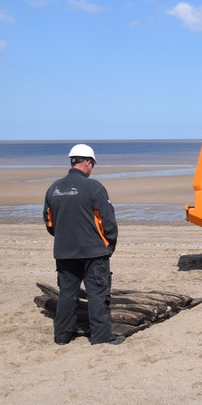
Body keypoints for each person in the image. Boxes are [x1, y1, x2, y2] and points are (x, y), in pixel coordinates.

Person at [44, 144, 124, 345]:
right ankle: (102, 338)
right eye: (93, 164)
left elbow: (49, 221)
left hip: (64, 252)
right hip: (93, 252)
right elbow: (108, 220)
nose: (92, 168)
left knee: (67, 296)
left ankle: (62, 337)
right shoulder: (94, 187)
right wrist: (109, 244)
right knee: (98, 295)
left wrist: (64, 238)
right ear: (88, 162)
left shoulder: (54, 188)